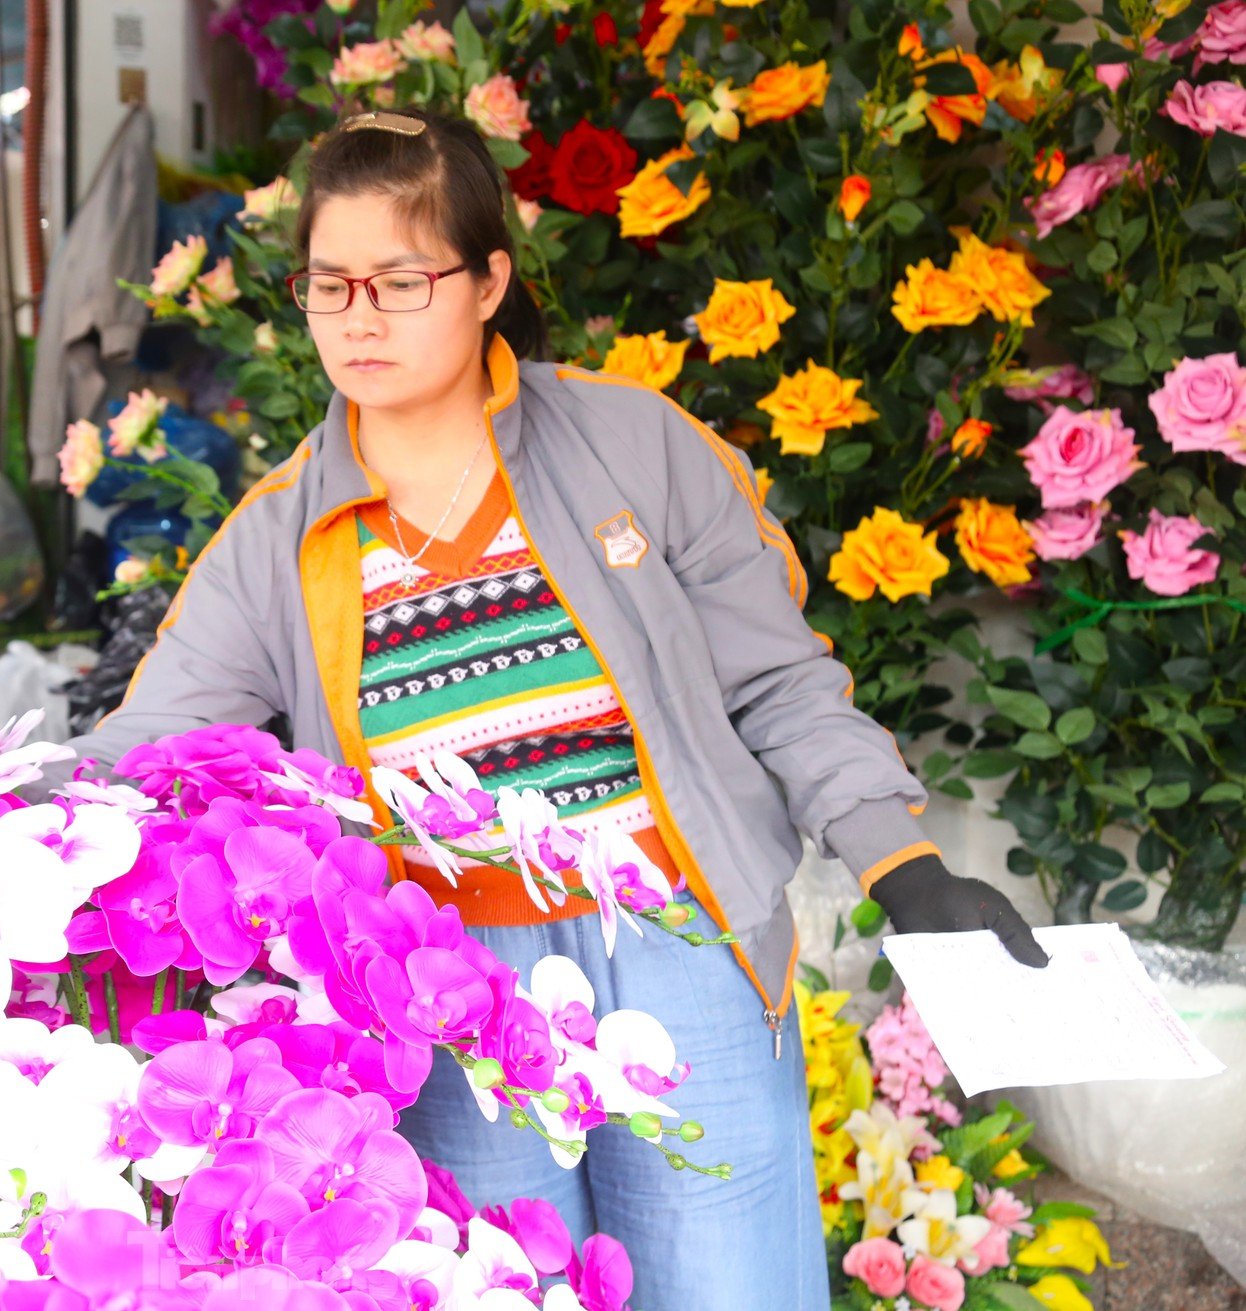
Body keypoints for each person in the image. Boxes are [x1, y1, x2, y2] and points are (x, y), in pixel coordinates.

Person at [55, 107, 1048, 1309]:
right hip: (449, 991)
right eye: (329, 285)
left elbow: (777, 680)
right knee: (505, 1288)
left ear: (486, 282)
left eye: (400, 280)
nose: (359, 316)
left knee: (726, 1288)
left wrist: (904, 864)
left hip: (681, 949)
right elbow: (146, 753)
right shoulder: (277, 536)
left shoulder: (636, 446)